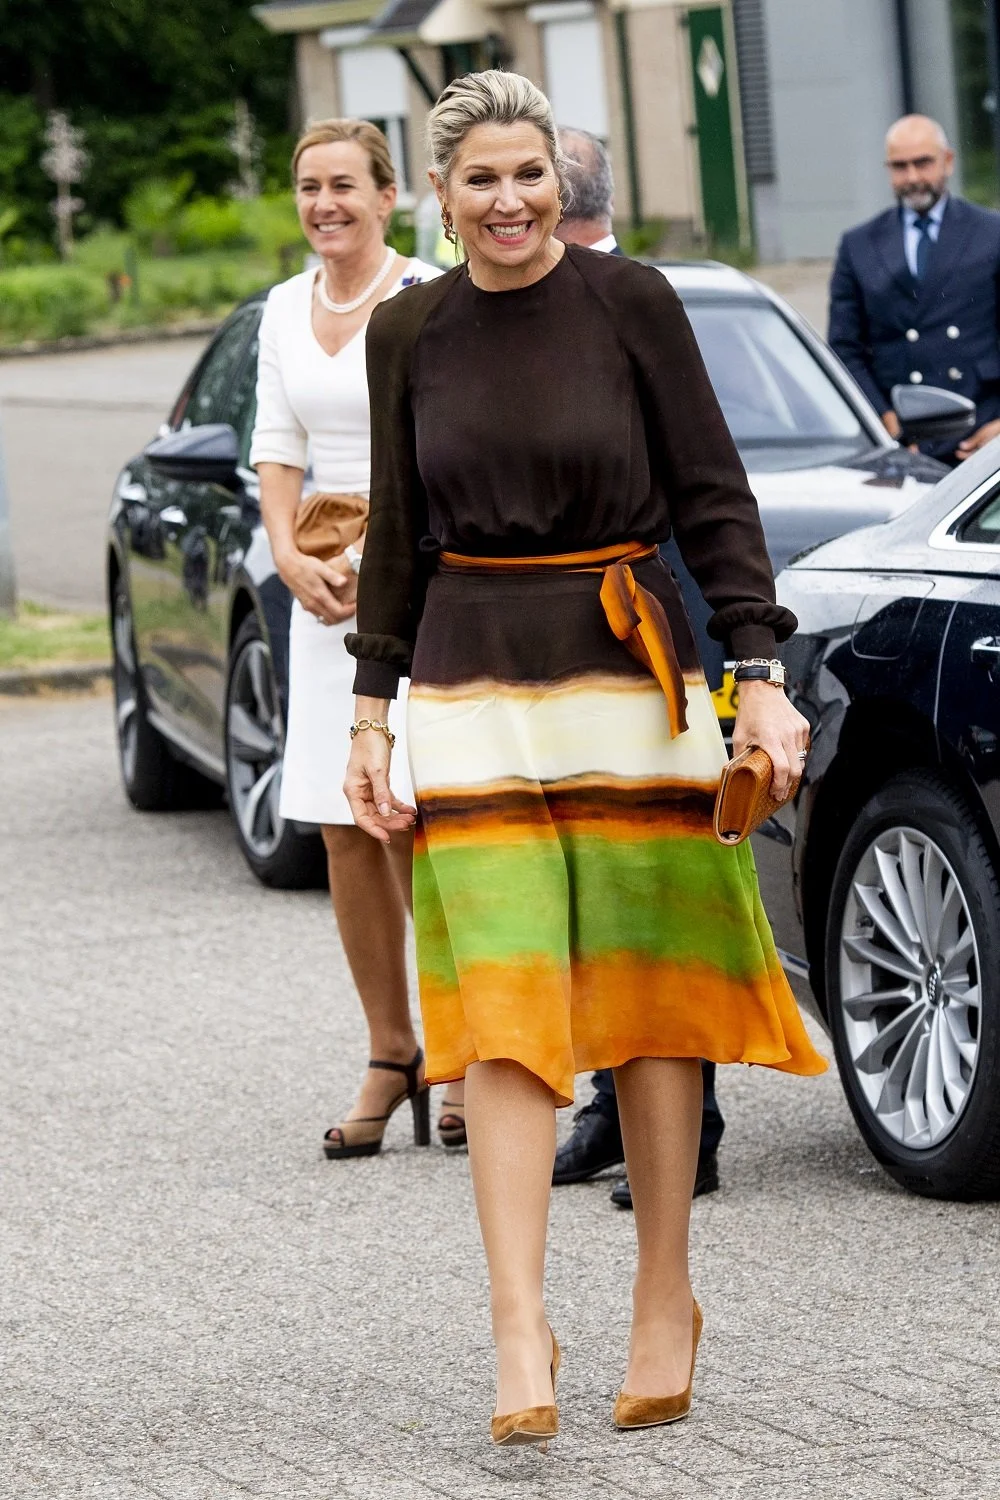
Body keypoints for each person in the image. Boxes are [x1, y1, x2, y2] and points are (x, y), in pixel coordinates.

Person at [345, 70, 825, 1444]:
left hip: (631, 675)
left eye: (531, 174)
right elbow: (393, 538)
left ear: (563, 178)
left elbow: (714, 495)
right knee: (501, 1006)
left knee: (654, 997)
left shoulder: (635, 305)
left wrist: (760, 678)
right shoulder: (409, 330)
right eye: (481, 179)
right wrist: (371, 717)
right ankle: (517, 1327)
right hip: (467, 680)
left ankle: (663, 1293)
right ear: (438, 193)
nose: (509, 202)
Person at [249, 119, 467, 1158]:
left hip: (419, 579)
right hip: (319, 593)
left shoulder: (430, 295)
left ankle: (463, 1055)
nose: (323, 204)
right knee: (344, 826)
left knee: (422, 817)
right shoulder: (284, 310)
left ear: (389, 196)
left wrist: (389, 557)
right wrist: (290, 561)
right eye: (307, 188)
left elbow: (456, 443)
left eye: (343, 185)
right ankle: (390, 1051)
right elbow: (275, 447)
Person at [552, 125, 725, 1213]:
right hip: (554, 649)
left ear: (561, 200)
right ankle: (612, 1108)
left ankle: (688, 1135)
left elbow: (707, 482)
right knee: (586, 893)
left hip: (655, 628)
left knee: (662, 893)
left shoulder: (646, 301)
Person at [829, 114, 1000, 464]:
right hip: (902, 443)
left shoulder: (991, 234)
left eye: (923, 163)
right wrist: (884, 424)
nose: (913, 178)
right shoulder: (858, 245)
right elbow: (844, 349)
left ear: (948, 161)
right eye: (899, 166)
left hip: (982, 435)